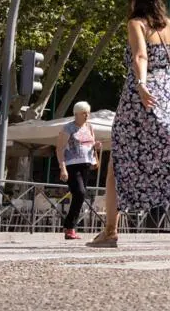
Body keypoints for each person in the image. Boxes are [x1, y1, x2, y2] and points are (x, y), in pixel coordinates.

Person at [87, 0, 170, 249]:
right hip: (166, 98)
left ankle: (110, 231)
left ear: (134, 1)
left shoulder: (136, 24)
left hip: (138, 101)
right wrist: (160, 80)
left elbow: (140, 56)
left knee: (117, 162)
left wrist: (142, 84)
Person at [57, 101, 99, 240]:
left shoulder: (89, 127)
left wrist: (96, 158)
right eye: (84, 113)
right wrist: (62, 168)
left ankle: (70, 229)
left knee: (80, 196)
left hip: (86, 164)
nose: (87, 115)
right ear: (76, 114)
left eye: (88, 112)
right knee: (80, 193)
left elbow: (92, 145)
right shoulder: (68, 128)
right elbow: (60, 148)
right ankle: (69, 226)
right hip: (72, 165)